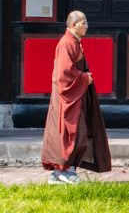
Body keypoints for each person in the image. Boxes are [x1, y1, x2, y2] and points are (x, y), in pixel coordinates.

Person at [41, 10, 111, 184]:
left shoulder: (74, 41)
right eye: (83, 23)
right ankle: (65, 171)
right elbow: (64, 75)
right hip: (67, 99)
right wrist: (84, 78)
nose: (87, 26)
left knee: (74, 133)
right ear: (74, 25)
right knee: (74, 133)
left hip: (74, 97)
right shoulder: (66, 44)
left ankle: (60, 173)